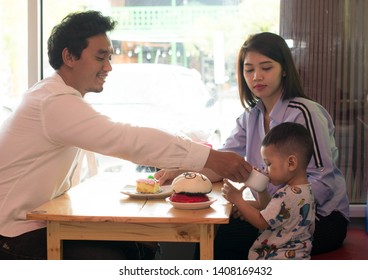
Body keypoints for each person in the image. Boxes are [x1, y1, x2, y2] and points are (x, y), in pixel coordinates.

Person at [0, 10, 252, 260]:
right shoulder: (53, 102)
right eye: (101, 57)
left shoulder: (55, 96)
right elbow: (127, 139)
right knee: (119, 255)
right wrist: (210, 157)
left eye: (109, 57)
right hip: (12, 235)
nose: (108, 67)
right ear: (69, 56)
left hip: (34, 224)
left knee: (135, 246)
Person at [156, 32, 349, 258]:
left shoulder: (305, 113)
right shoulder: (251, 116)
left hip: (319, 219)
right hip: (275, 212)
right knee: (214, 236)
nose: (257, 76)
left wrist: (269, 210)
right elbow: (223, 162)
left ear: (284, 69)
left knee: (225, 243)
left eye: (266, 68)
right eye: (249, 70)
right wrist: (180, 172)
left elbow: (323, 180)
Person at [222, 122, 316, 260]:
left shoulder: (286, 195)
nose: (266, 170)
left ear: (291, 163)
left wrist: (237, 199)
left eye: (269, 164)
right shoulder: (305, 190)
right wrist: (261, 191)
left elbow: (261, 221)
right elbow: (270, 211)